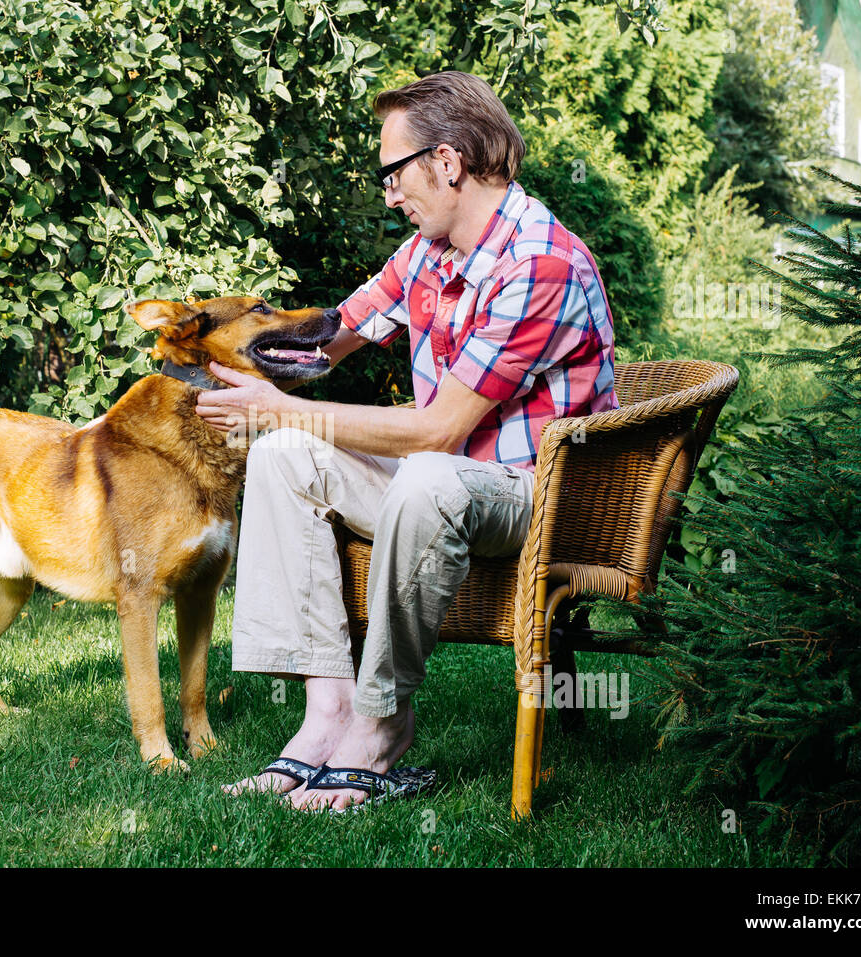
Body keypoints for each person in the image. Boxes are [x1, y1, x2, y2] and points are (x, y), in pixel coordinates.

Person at [194, 71, 619, 811]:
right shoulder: (429, 251)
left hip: (534, 493)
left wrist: (282, 408)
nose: (389, 193)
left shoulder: (539, 263)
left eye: (394, 173)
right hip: (448, 477)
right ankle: (324, 717)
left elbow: (438, 428)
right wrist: (224, 351)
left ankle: (382, 722)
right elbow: (329, 338)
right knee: (282, 455)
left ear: (447, 163)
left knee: (418, 474)